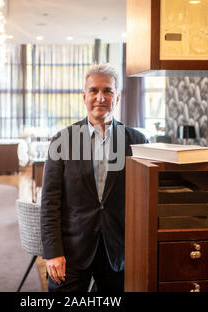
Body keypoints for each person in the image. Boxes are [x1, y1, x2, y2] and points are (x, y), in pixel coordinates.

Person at [40, 63, 148, 292]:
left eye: (107, 91)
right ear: (84, 96)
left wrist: (199, 159)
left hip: (118, 252)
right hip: (71, 252)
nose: (101, 97)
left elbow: (158, 178)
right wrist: (53, 252)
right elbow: (49, 203)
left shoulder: (136, 140)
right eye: (94, 91)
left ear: (117, 97)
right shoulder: (62, 141)